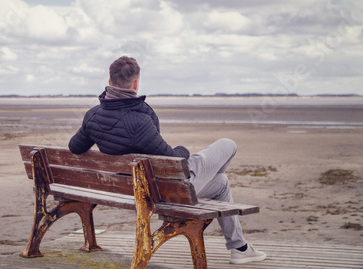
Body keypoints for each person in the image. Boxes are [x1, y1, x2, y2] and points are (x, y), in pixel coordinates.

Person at [68, 56, 266, 264]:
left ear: (109, 81)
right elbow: (172, 158)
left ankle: (240, 248)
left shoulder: (93, 115)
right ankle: (238, 245)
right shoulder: (140, 119)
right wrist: (184, 149)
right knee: (228, 144)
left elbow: (75, 147)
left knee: (221, 183)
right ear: (136, 83)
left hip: (132, 188)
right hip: (165, 192)